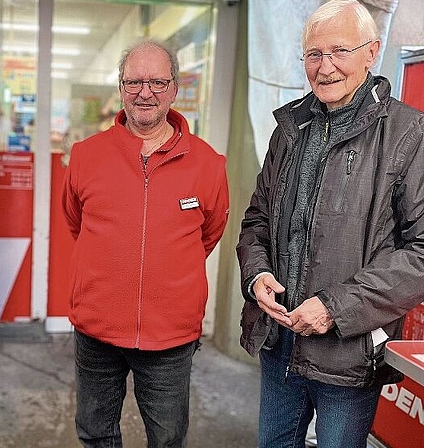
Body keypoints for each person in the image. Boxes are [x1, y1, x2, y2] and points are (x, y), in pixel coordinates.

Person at [236, 1, 424, 447]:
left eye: (339, 51)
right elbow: (257, 218)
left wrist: (334, 309)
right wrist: (257, 273)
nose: (325, 67)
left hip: (349, 354)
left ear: (371, 52)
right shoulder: (290, 128)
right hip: (279, 344)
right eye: (314, 55)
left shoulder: (408, 133)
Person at [62, 40, 229, 448]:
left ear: (174, 88)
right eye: (134, 81)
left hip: (171, 335)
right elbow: (75, 223)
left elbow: (210, 232)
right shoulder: (86, 155)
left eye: (157, 81)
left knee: (168, 438)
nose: (145, 92)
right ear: (121, 88)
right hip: (97, 327)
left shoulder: (208, 163)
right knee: (95, 432)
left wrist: (166, 268)